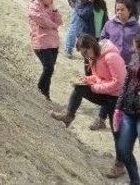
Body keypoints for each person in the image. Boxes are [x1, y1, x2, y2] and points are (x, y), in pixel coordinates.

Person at [51, 34, 126, 179]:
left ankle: (120, 164)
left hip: (118, 99)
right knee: (79, 87)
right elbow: (100, 77)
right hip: (106, 94)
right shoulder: (93, 57)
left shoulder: (111, 57)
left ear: (91, 46)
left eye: (85, 52)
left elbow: (119, 83)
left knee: (117, 132)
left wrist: (95, 87)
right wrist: (87, 79)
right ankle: (68, 116)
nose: (85, 56)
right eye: (82, 54)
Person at [91, 0, 140, 130]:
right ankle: (101, 119)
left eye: (122, 9)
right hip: (111, 65)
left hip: (129, 67)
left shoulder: (137, 28)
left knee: (125, 95)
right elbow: (102, 41)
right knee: (110, 92)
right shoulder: (109, 24)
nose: (118, 12)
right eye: (117, 9)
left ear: (129, 10)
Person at [28, 0, 63, 100]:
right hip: (41, 42)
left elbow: (60, 21)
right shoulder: (34, 6)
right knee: (48, 67)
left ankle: (45, 94)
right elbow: (43, 21)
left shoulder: (50, 7)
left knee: (50, 69)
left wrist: (54, 9)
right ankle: (39, 89)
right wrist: (54, 25)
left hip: (53, 42)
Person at [113, 35, 140, 184]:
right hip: (129, 112)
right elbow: (125, 84)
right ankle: (135, 180)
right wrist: (118, 107)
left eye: (135, 46)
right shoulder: (133, 59)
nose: (132, 49)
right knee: (123, 149)